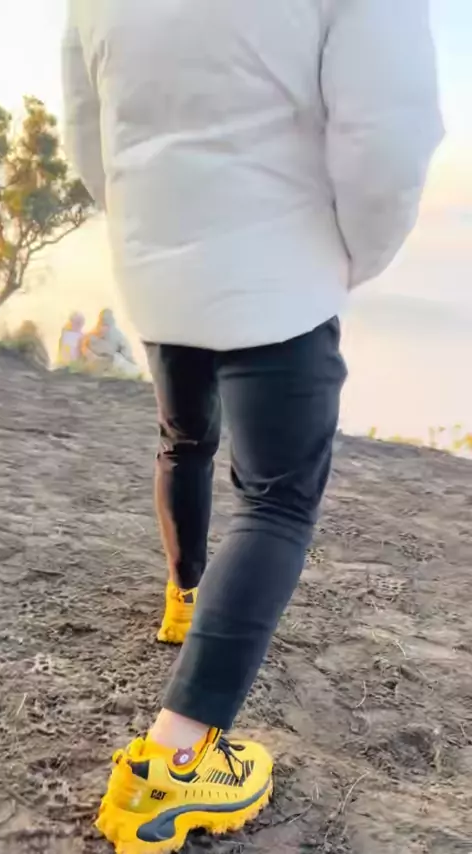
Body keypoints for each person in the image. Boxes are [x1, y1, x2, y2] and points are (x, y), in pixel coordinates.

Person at [62, 1, 443, 851]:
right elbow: (389, 132)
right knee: (276, 502)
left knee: (183, 441)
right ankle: (177, 761)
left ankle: (185, 596)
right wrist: (348, 256)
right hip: (280, 266)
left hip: (156, 258)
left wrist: (148, 225)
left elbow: (87, 125)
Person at [81, 308, 140, 379]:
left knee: (121, 362)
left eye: (106, 325)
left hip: (114, 365)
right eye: (102, 324)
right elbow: (85, 349)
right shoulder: (91, 336)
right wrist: (91, 355)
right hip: (97, 367)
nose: (104, 328)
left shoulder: (119, 337)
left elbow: (127, 356)